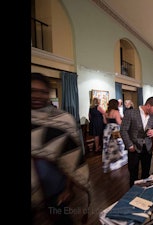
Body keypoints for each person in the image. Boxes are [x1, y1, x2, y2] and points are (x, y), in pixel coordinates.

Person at [31, 72, 91, 225]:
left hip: (56, 190)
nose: (37, 96)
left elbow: (72, 157)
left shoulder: (63, 120)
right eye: (33, 91)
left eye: (42, 92)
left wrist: (68, 188)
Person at [120, 96, 153, 187]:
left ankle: (144, 195)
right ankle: (132, 196)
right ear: (148, 106)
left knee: (146, 173)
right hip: (134, 148)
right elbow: (123, 130)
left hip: (147, 148)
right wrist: (129, 145)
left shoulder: (152, 117)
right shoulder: (130, 113)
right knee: (133, 174)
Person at [102, 99, 125, 173]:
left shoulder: (106, 112)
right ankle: (116, 161)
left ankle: (106, 163)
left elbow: (105, 122)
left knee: (107, 146)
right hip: (115, 130)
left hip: (107, 130)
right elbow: (119, 122)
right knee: (118, 144)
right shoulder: (116, 112)